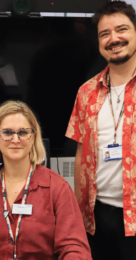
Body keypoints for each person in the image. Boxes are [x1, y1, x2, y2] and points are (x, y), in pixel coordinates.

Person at [0, 101, 91, 260]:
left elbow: (74, 248)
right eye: (7, 132)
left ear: (33, 137)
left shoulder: (58, 188)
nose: (15, 139)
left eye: (23, 132)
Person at [66, 1, 136, 259]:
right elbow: (80, 154)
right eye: (104, 34)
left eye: (121, 29)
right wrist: (77, 212)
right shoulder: (86, 92)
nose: (113, 39)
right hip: (96, 218)